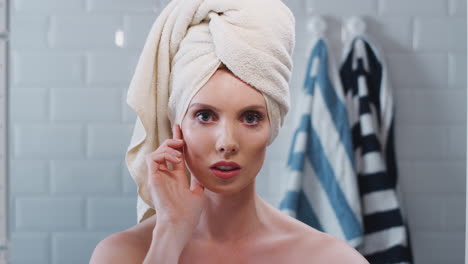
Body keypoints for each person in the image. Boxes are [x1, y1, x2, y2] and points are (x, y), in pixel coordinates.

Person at [90, 0, 370, 262]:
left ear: (273, 125)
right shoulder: (121, 255)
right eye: (205, 115)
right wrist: (170, 234)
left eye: (250, 117)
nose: (227, 143)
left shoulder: (331, 259)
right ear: (178, 124)